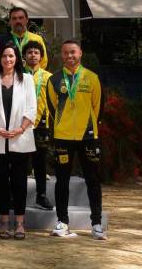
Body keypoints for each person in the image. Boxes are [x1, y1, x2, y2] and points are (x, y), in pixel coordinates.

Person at [47, 40, 106, 240]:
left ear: (80, 53)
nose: (69, 56)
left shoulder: (92, 78)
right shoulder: (54, 80)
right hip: (62, 137)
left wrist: (88, 126)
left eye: (73, 52)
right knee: (61, 181)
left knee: (93, 180)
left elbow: (97, 108)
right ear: (61, 56)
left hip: (88, 136)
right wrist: (63, 126)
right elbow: (52, 108)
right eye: (65, 53)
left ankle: (96, 224)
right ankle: (62, 222)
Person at [0, 42, 37, 240]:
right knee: (1, 182)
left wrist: (21, 129)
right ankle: (4, 221)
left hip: (21, 138)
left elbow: (32, 107)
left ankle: (20, 223)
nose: (7, 59)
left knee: (20, 182)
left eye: (11, 56)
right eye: (4, 56)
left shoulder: (27, 79)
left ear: (17, 59)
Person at [22, 40, 54, 210]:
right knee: (20, 162)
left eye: (36, 52)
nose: (33, 55)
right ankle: (17, 196)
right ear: (24, 56)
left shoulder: (49, 77)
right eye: (29, 52)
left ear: (41, 57)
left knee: (40, 162)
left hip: (42, 124)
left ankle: (41, 196)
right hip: (20, 125)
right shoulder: (18, 74)